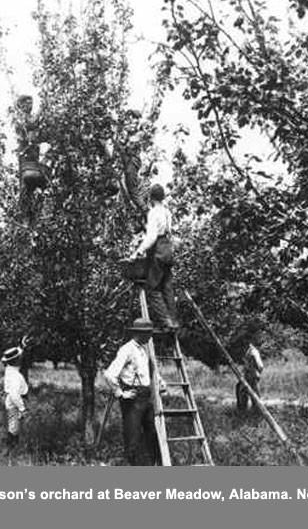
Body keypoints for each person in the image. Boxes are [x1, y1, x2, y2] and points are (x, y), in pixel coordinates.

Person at [103, 318, 163, 465]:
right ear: (138, 333)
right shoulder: (126, 349)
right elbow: (110, 374)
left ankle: (151, 466)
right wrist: (120, 394)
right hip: (133, 399)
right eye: (148, 333)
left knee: (152, 434)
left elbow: (150, 370)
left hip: (147, 396)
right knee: (133, 436)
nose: (150, 336)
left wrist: (160, 383)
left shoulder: (144, 348)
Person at [132, 184, 178, 329]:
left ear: (150, 198)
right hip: (168, 249)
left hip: (158, 249)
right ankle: (174, 321)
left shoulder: (153, 213)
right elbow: (168, 231)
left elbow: (152, 236)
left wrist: (139, 251)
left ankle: (166, 322)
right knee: (167, 287)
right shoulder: (166, 212)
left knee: (152, 288)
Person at [2, 346, 28, 449]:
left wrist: (22, 346)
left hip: (11, 400)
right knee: (14, 427)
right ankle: (11, 449)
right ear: (16, 360)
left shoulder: (9, 369)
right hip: (15, 401)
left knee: (13, 425)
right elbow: (14, 394)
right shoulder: (15, 376)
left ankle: (12, 447)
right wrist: (22, 408)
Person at [236, 343, 264, 412]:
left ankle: (257, 412)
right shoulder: (247, 351)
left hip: (252, 376)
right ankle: (243, 412)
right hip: (247, 376)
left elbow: (260, 366)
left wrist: (255, 372)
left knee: (255, 396)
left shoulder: (253, 352)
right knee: (241, 392)